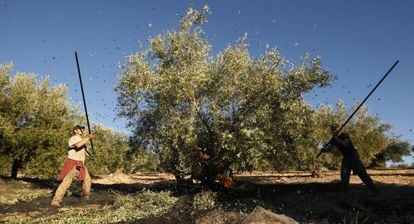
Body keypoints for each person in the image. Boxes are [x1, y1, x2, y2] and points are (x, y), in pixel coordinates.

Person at [51, 125, 93, 207]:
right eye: (80, 129)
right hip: (73, 162)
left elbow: (84, 150)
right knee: (67, 181)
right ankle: (56, 200)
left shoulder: (82, 140)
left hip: (81, 163)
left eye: (82, 129)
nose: (81, 130)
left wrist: (91, 156)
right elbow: (78, 145)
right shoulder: (73, 138)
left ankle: (85, 198)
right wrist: (88, 138)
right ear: (75, 130)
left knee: (87, 180)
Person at [328, 123, 376, 192]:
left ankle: (373, 189)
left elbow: (346, 144)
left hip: (353, 156)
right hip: (345, 158)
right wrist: (324, 150)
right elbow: (330, 149)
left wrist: (337, 140)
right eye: (333, 130)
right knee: (344, 175)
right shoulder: (333, 139)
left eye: (335, 129)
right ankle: (345, 190)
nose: (334, 131)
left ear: (339, 128)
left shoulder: (344, 135)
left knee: (362, 173)